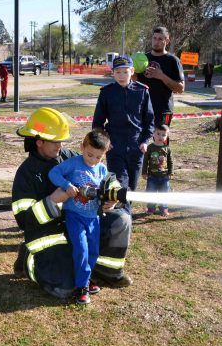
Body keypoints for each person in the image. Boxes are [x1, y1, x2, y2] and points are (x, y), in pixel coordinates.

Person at [11, 107, 133, 301]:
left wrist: (111, 196)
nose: (60, 145)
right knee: (66, 287)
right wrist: (52, 201)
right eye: (55, 141)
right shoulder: (26, 174)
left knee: (121, 219)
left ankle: (106, 272)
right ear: (39, 142)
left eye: (61, 140)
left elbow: (104, 175)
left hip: (81, 221)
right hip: (49, 235)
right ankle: (28, 259)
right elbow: (24, 221)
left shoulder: (69, 157)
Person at [47, 129, 111, 305]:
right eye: (89, 155)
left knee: (93, 251)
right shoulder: (73, 163)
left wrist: (110, 201)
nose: (93, 161)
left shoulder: (102, 169)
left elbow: (108, 188)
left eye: (98, 157)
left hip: (93, 218)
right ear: (82, 147)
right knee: (81, 249)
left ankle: (86, 279)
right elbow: (53, 173)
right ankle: (81, 288)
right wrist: (67, 185)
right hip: (75, 215)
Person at [92, 55, 154, 195]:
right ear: (112, 72)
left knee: (132, 185)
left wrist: (144, 141)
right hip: (115, 146)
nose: (121, 75)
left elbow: (149, 120)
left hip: (136, 146)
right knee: (119, 183)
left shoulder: (142, 91)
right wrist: (105, 141)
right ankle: (122, 214)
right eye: (118, 72)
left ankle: (126, 213)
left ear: (132, 71)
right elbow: (97, 123)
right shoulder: (106, 92)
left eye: (125, 71)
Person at [137, 26, 185, 128]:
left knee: (160, 143)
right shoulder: (143, 59)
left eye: (160, 39)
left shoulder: (173, 60)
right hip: (143, 108)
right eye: (154, 38)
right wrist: (131, 73)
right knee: (140, 142)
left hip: (163, 110)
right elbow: (136, 82)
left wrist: (161, 76)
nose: (156, 41)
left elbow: (181, 89)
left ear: (166, 41)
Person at [142, 125, 173, 215]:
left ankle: (164, 208)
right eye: (158, 134)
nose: (160, 136)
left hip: (164, 176)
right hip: (152, 176)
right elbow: (145, 161)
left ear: (167, 136)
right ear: (153, 134)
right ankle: (151, 208)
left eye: (163, 135)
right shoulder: (150, 148)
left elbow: (170, 161)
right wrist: (144, 172)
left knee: (164, 192)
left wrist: (171, 172)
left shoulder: (167, 149)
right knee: (151, 192)